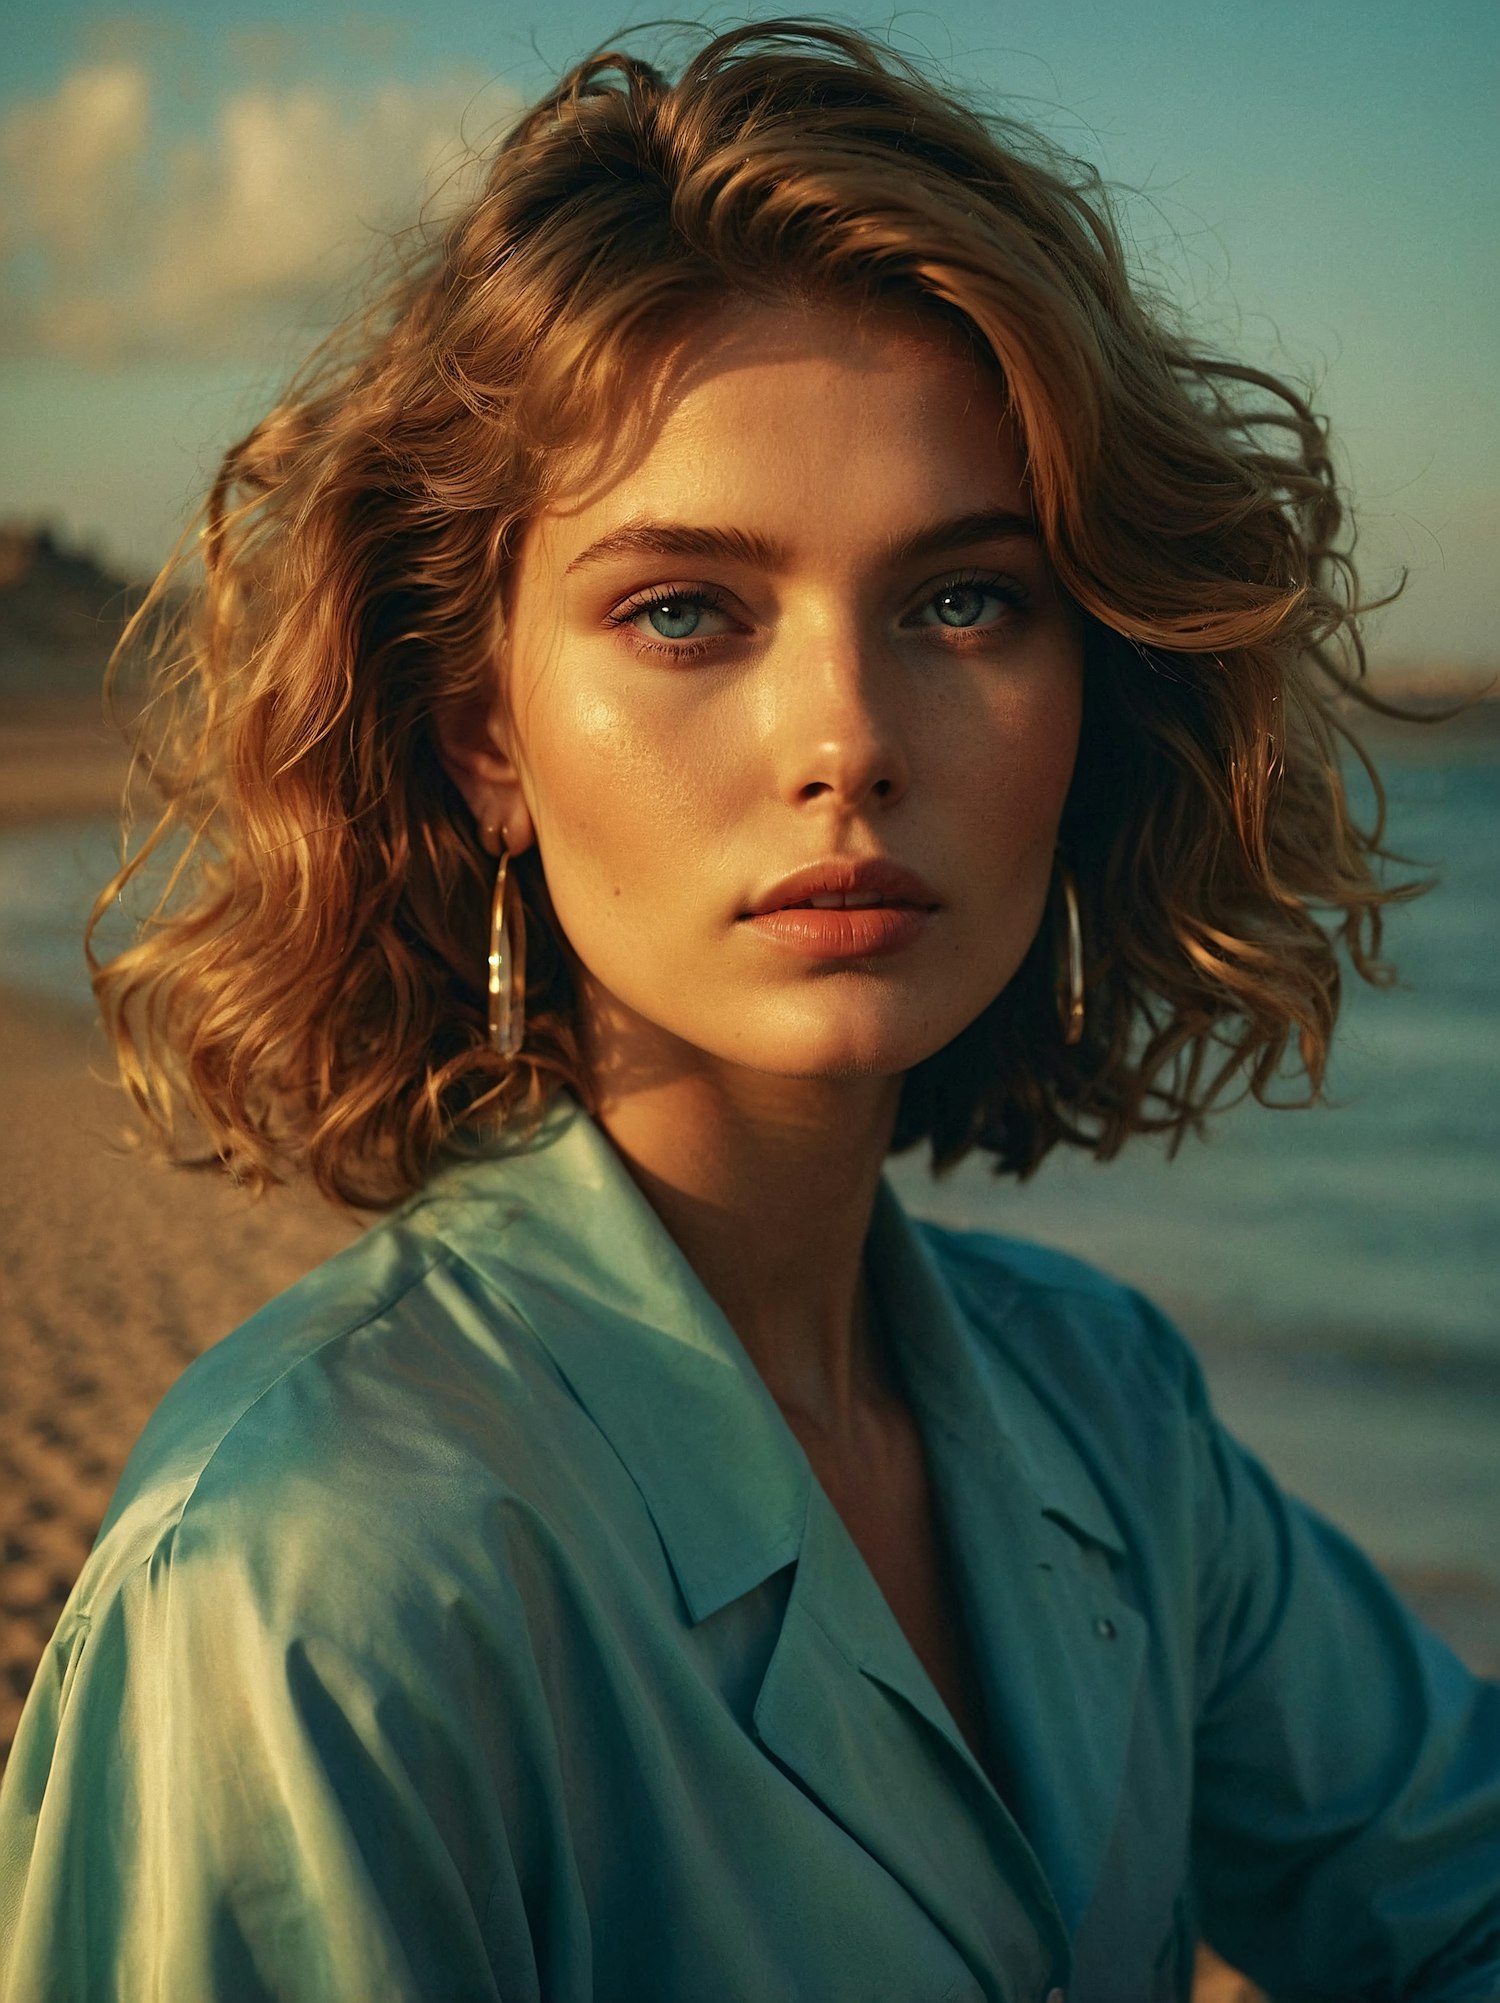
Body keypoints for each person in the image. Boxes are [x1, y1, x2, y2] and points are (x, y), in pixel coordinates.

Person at [2, 17, 1497, 2001]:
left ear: (1098, 682)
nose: (850, 740)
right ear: (485, 745)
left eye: (966, 597)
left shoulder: (1109, 1409)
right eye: (688, 609)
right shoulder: (309, 1575)